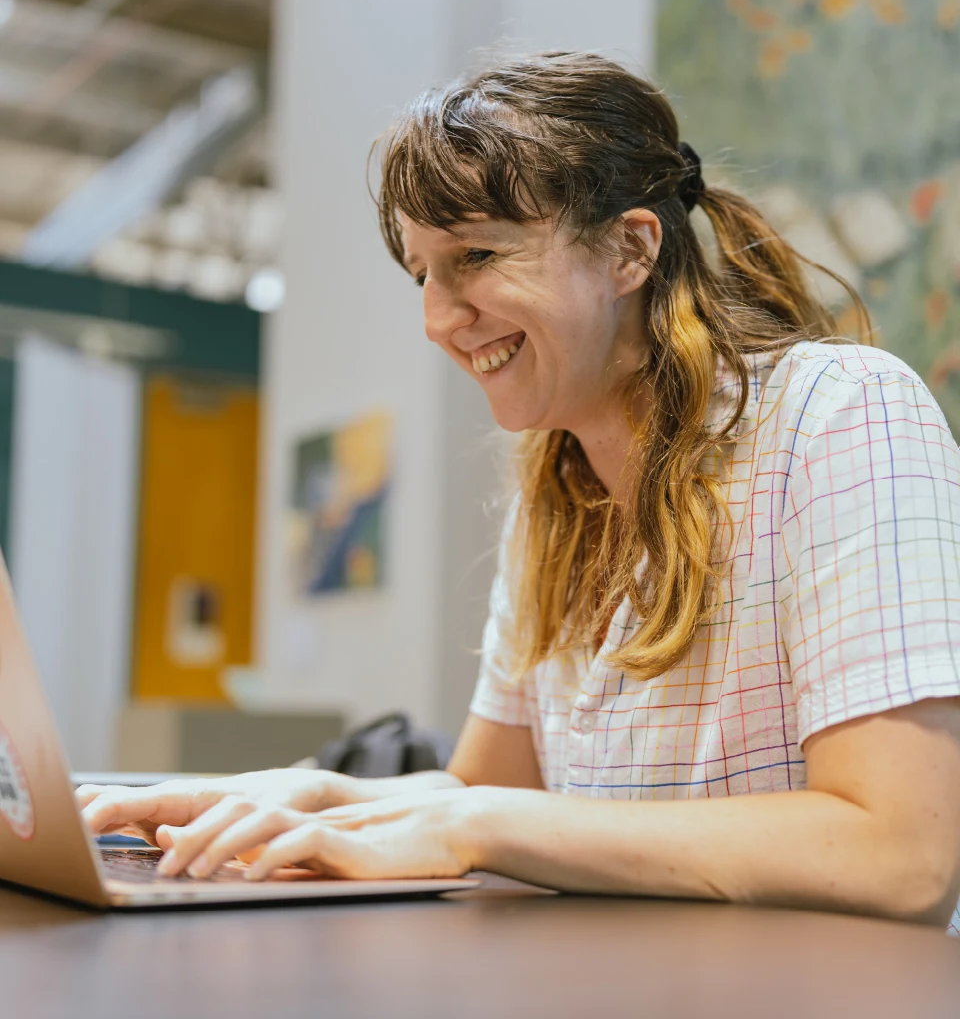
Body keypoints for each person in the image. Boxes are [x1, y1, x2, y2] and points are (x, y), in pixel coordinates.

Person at [78, 52, 960, 931]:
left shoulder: (840, 415)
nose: (435, 318)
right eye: (423, 272)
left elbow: (900, 855)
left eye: (478, 255)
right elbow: (485, 791)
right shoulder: (559, 491)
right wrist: (310, 796)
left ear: (630, 248)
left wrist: (474, 824)